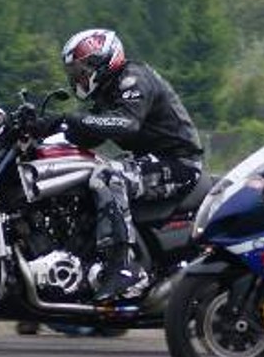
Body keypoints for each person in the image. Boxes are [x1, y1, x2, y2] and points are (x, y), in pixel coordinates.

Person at [53, 27, 204, 301]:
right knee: (81, 175)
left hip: (179, 163)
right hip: (150, 160)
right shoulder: (107, 92)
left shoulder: (133, 79)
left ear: (103, 61)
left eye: (82, 71)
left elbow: (126, 123)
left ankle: (122, 268)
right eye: (75, 73)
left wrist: (71, 120)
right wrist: (44, 129)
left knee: (109, 177)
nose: (79, 78)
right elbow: (86, 135)